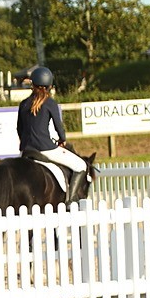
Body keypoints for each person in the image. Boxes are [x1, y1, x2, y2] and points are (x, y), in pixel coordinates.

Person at [17, 66, 88, 200]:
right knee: (81, 165)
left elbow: (20, 129)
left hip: (26, 150)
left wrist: (25, 143)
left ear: (32, 84)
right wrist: (62, 140)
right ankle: (70, 200)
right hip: (45, 148)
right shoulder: (50, 103)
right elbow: (58, 126)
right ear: (49, 85)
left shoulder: (23, 104)